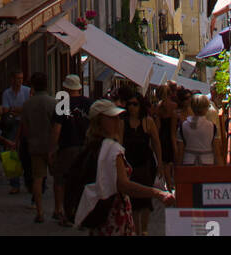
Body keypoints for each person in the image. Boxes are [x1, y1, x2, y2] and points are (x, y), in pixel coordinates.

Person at [74, 99, 174, 236]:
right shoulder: (112, 148)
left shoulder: (93, 144)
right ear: (99, 121)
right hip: (114, 213)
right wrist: (158, 193)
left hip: (101, 212)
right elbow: (123, 185)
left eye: (117, 117)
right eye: (111, 118)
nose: (117, 121)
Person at [50, 73, 90, 225]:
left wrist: (52, 149)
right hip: (86, 147)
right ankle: (82, 212)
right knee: (82, 180)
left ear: (65, 88)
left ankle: (61, 211)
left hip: (67, 147)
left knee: (61, 180)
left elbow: (56, 130)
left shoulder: (62, 104)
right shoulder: (88, 103)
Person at [122, 92, 164, 236]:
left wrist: (160, 163)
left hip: (146, 164)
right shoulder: (123, 122)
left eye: (135, 104)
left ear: (141, 106)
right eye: (129, 104)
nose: (132, 107)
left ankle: (144, 230)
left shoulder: (148, 121)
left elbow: (156, 143)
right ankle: (136, 230)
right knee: (132, 198)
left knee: (146, 198)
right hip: (129, 165)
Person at [19, 72, 56, 223]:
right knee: (58, 179)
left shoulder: (27, 104)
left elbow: (25, 127)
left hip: (34, 145)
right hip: (51, 146)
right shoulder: (53, 103)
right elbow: (58, 126)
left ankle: (39, 211)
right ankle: (59, 208)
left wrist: (29, 140)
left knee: (37, 178)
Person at [1, 68, 31, 194]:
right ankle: (14, 184)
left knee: (25, 151)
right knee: (11, 152)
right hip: (12, 124)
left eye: (21, 79)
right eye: (17, 78)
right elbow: (5, 110)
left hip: (25, 123)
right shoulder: (7, 93)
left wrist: (15, 110)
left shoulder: (27, 91)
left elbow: (28, 109)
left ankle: (28, 181)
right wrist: (19, 109)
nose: (19, 81)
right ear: (12, 79)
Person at [179, 94, 221, 167]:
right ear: (206, 108)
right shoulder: (212, 127)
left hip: (188, 162)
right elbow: (216, 151)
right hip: (208, 162)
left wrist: (178, 168)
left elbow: (180, 150)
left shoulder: (183, 126)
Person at [155, 84, 178, 187]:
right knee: (171, 164)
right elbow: (173, 131)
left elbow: (158, 127)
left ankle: (168, 186)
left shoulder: (158, 107)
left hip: (161, 138)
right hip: (171, 138)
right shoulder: (174, 106)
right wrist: (175, 147)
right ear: (170, 94)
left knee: (165, 165)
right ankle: (172, 186)